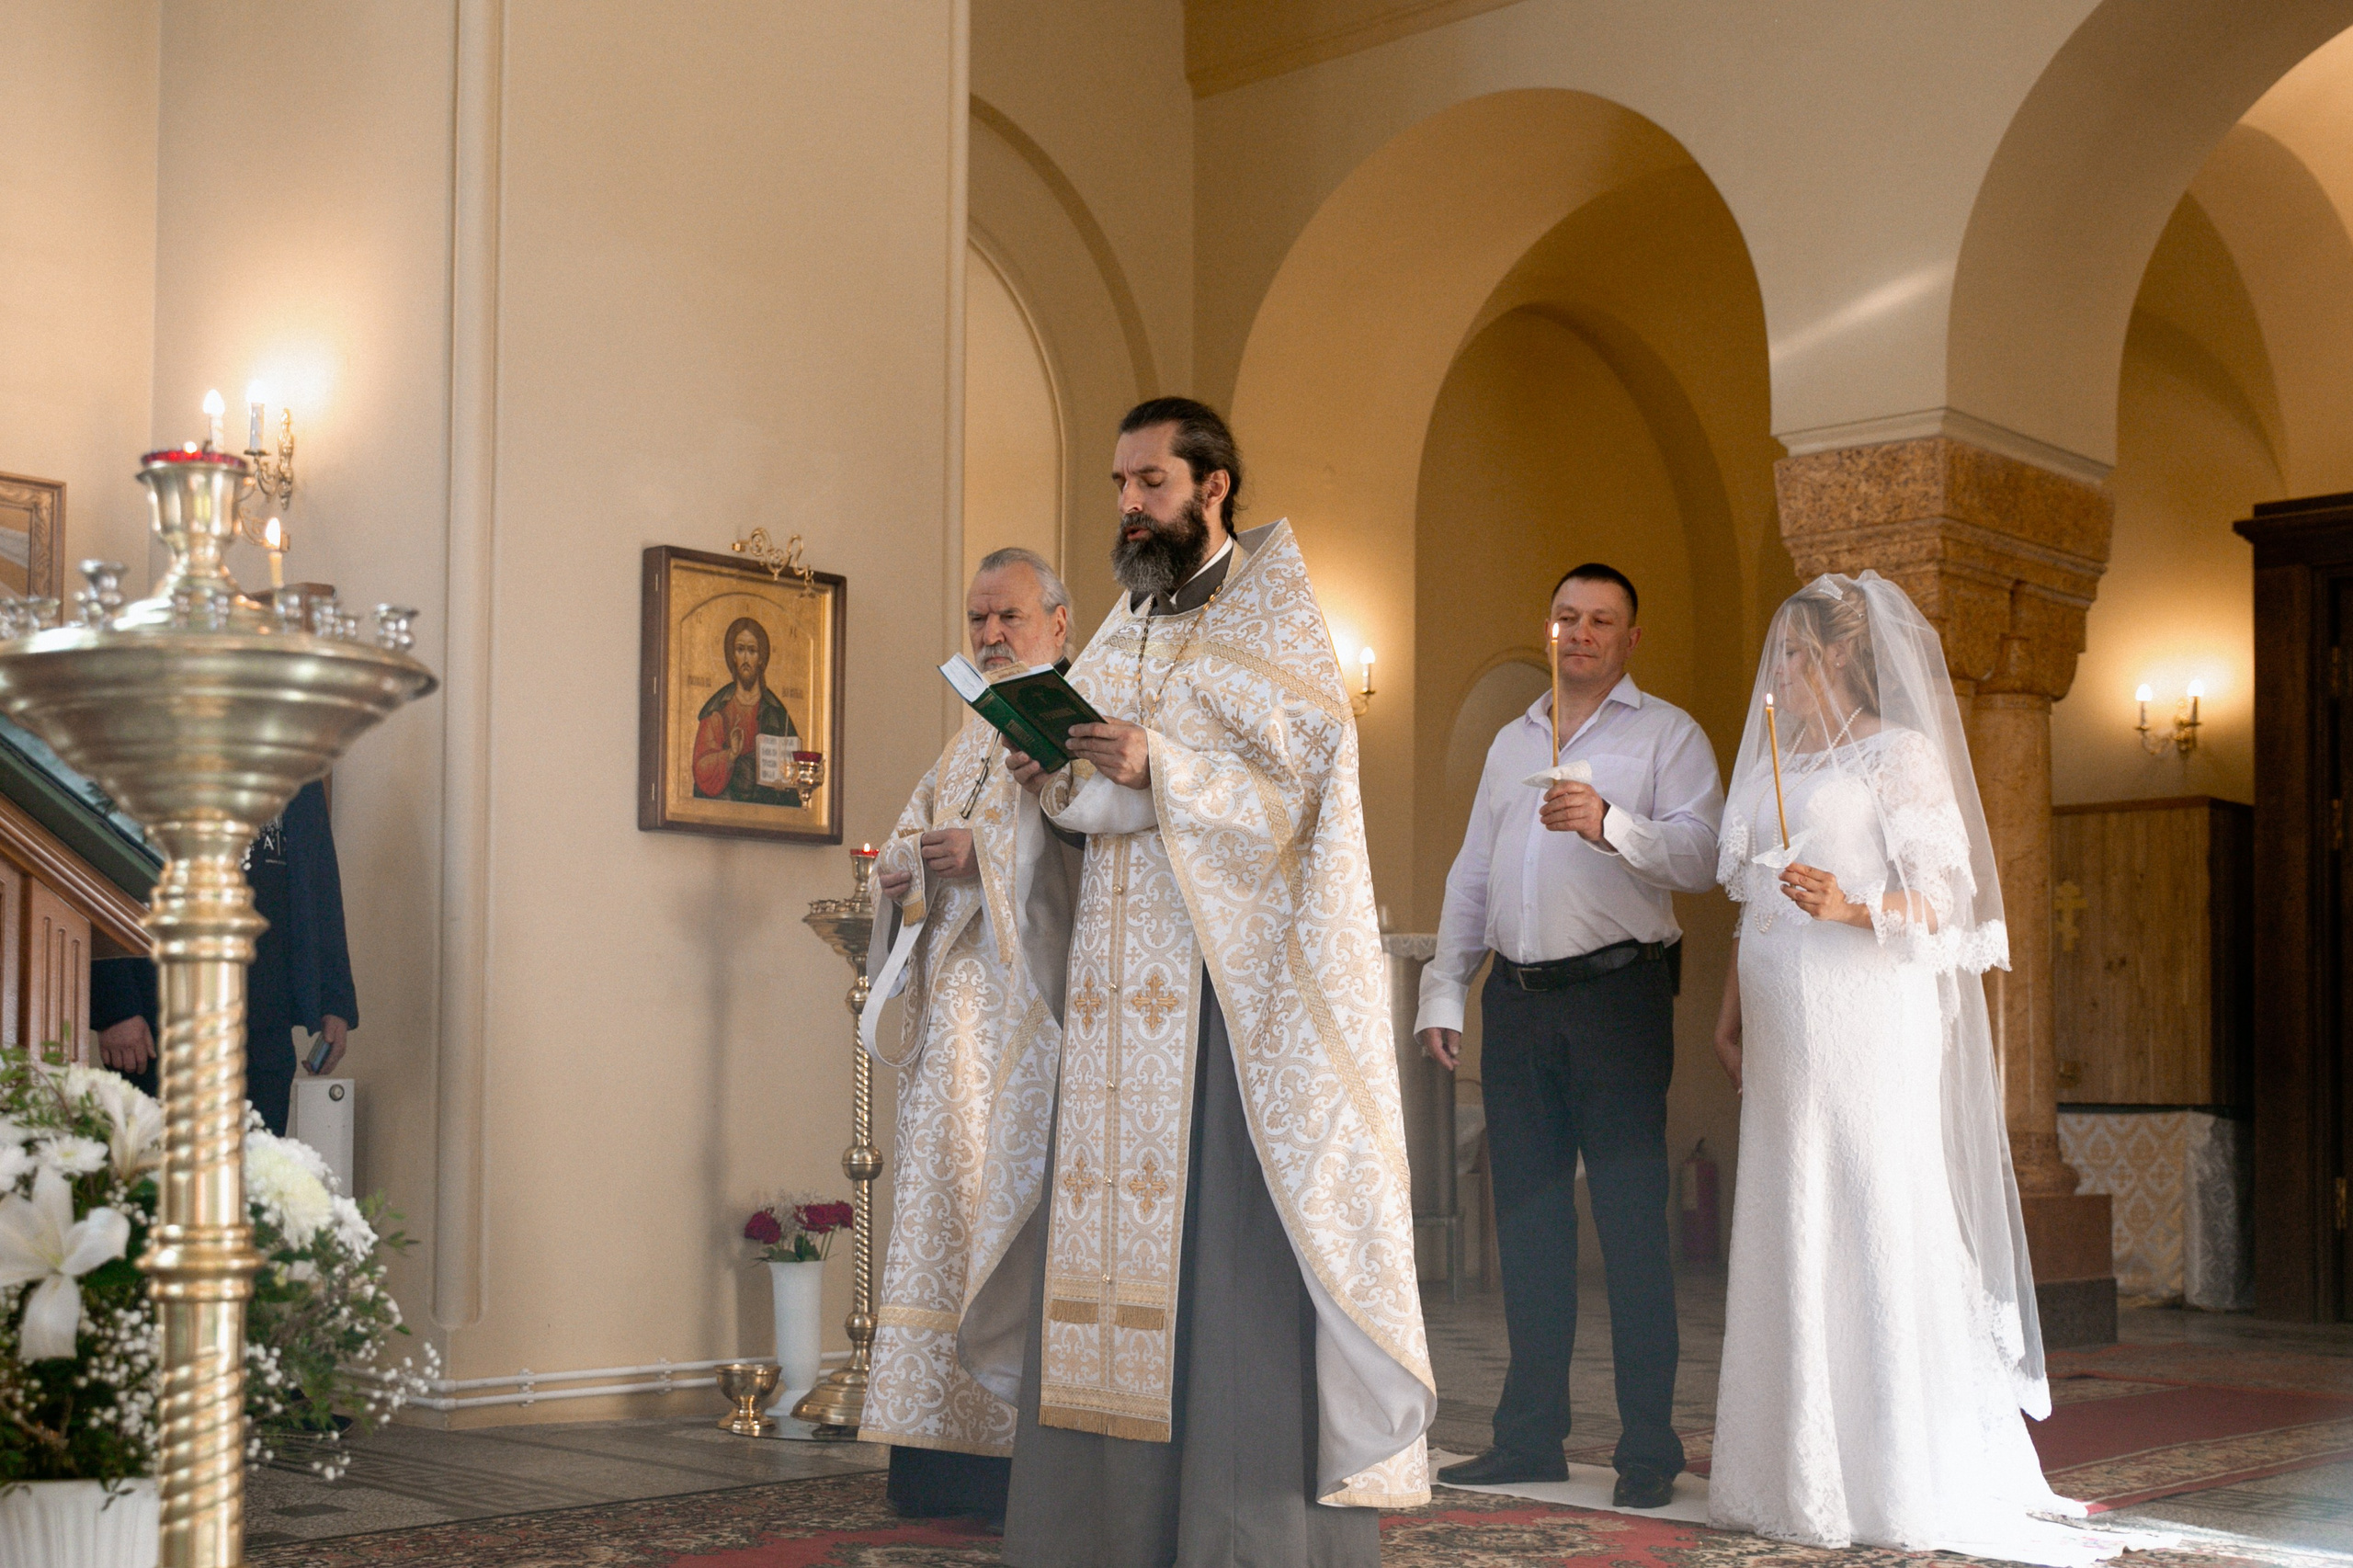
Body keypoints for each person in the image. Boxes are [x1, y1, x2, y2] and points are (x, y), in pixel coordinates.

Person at [997, 398, 1434, 1566]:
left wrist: (1165, 761)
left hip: (1221, 1006)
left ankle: (1237, 1535)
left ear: (1213, 486)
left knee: (1222, 1272)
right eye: (1119, 484)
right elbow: (1099, 807)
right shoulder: (1123, 630)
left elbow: (1301, 801)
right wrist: (1049, 768)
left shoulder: (1276, 615)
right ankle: (1100, 1531)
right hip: (1110, 1009)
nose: (1129, 506)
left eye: (1149, 483)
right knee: (1100, 1267)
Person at [1708, 573, 2117, 1562]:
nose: (1786, 671)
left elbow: (1946, 899)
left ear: (1844, 656)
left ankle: (1894, 1463)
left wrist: (1851, 906)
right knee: (1789, 1207)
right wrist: (1727, 1015)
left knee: (1873, 1203)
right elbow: (1751, 899)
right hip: (1777, 1018)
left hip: (1864, 1012)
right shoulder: (1769, 763)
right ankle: (1790, 1466)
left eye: (1800, 655)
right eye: (1784, 654)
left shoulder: (1899, 758)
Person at [1415, 564, 1722, 1509]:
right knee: (1529, 1229)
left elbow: (1705, 854)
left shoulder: (1666, 732)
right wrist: (1444, 987)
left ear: (1630, 639)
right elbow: (1475, 868)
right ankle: (1528, 1437)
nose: (1580, 633)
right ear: (1546, 629)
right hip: (1516, 1001)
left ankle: (1645, 1449)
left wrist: (1610, 824)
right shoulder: (1511, 739)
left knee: (1631, 1225)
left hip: (1616, 999)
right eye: (1565, 617)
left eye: (1600, 621)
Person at [862, 547, 1080, 1523]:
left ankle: (1010, 1454)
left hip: (1027, 1023)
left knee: (1007, 1219)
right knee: (943, 1219)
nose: (991, 636)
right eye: (978, 619)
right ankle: (937, 1453)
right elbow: (907, 835)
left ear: (1058, 626)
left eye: (1010, 618)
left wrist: (981, 850)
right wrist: (906, 864)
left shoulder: (1068, 726)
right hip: (952, 1025)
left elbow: (1092, 853)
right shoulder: (961, 743)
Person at [90, 777, 356, 1136]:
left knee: (258, 1176)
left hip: (264, 1016)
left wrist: (334, 998)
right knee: (155, 1180)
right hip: (160, 1016)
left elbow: (319, 872)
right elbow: (100, 863)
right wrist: (115, 1004)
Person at [691, 615, 801, 804]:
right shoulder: (718, 708)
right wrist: (731, 755)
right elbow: (701, 766)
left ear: (761, 658)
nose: (745, 658)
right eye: (740, 650)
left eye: (752, 651)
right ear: (732, 656)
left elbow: (792, 774)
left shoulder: (776, 712)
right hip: (725, 805)